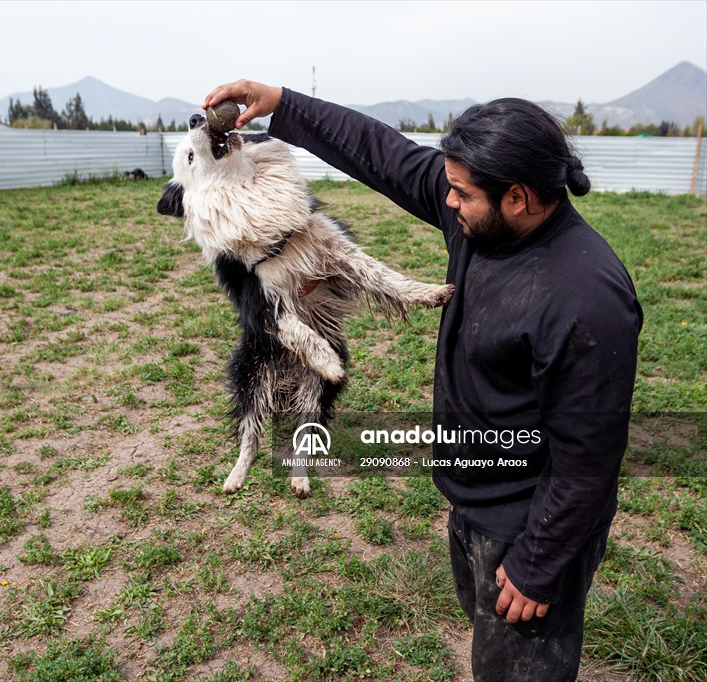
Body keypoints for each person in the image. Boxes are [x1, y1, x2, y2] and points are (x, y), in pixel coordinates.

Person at [203, 81, 642, 681]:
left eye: (459, 192)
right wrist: (282, 102)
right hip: (474, 496)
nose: (448, 201)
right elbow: (381, 153)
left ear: (518, 196)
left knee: (515, 669)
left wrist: (539, 564)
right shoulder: (488, 219)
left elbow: (589, 459)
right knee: (488, 635)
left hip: (527, 527)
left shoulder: (584, 299)